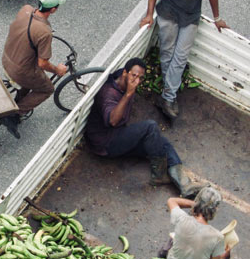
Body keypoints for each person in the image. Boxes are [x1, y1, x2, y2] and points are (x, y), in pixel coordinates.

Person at [85, 57, 207, 198]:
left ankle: (185, 185)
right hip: (106, 143)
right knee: (150, 126)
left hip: (119, 133)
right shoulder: (108, 94)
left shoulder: (125, 78)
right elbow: (112, 121)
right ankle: (159, 175)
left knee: (162, 143)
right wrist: (129, 94)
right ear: (125, 73)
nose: (136, 81)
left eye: (140, 78)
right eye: (133, 75)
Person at [140, 0, 229, 121]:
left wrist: (217, 18)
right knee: (167, 53)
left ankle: (167, 97)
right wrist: (149, 14)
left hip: (190, 17)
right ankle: (168, 96)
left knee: (180, 57)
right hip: (168, 14)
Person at [1, 0, 68, 139]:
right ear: (53, 9)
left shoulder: (25, 9)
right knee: (47, 89)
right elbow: (42, 63)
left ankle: (19, 98)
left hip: (6, 58)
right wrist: (57, 70)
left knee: (31, 78)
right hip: (20, 71)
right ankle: (14, 114)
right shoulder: (44, 32)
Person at [159, 186, 231, 259]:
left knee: (172, 238)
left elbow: (171, 200)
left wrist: (196, 204)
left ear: (197, 201)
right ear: (215, 210)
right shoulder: (217, 237)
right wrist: (224, 255)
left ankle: (161, 255)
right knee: (225, 253)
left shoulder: (181, 218)